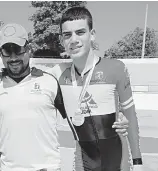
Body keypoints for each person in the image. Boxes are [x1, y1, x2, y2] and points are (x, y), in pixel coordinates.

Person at [0, 23, 129, 171]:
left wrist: (120, 118)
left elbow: (84, 110)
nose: (13, 57)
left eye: (18, 50)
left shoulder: (50, 81)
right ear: (0, 53)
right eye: (6, 52)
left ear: (29, 50)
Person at [49, 7, 143, 171]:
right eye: (67, 34)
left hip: (118, 163)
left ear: (92, 34)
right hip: (82, 163)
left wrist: (137, 161)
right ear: (61, 39)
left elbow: (131, 118)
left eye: (80, 32)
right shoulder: (56, 74)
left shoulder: (115, 68)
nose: (74, 39)